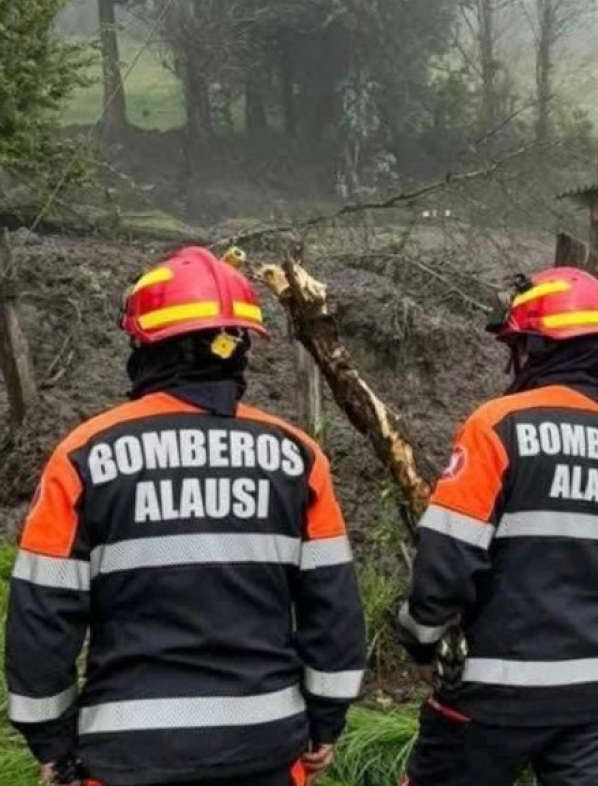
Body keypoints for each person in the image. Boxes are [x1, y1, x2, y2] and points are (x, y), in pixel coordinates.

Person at [5, 246, 367, 786]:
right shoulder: (297, 456)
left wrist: (52, 744)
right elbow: (333, 607)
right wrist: (326, 721)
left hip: (127, 754)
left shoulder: (83, 455)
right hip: (265, 747)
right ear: (239, 347)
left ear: (145, 346)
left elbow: (43, 616)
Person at [396, 267, 598, 786]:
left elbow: (448, 558)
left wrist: (421, 635)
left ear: (532, 348)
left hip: (493, 694)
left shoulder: (496, 426)